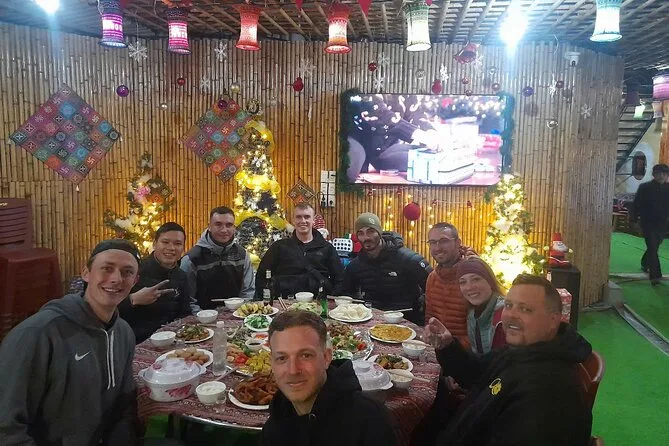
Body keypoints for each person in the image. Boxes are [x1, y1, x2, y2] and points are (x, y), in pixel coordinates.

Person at [0, 239, 141, 445]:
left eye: (127, 272)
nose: (116, 279)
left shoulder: (123, 333)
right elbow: (7, 428)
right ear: (86, 273)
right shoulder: (37, 334)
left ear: (135, 281)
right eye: (107, 268)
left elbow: (123, 407)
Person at [425, 274, 593, 446]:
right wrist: (448, 346)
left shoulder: (547, 394)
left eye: (525, 309)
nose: (511, 315)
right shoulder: (524, 350)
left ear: (553, 320)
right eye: (508, 305)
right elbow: (476, 373)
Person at [262, 310, 397, 446]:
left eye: (305, 355)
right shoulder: (274, 426)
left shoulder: (372, 422)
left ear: (327, 358)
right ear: (271, 362)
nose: (293, 370)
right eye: (282, 358)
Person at [340, 212, 432, 325]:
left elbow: (433, 287)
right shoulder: (356, 265)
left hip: (407, 321)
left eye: (371, 231)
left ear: (379, 232)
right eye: (361, 233)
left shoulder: (407, 259)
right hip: (372, 322)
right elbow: (346, 291)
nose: (366, 237)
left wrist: (423, 313)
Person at [119, 222, 191, 343]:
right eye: (165, 242)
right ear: (154, 244)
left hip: (172, 339)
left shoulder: (181, 275)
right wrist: (133, 299)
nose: (171, 248)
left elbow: (185, 312)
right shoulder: (134, 271)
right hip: (137, 341)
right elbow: (106, 309)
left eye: (177, 244)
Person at [255, 203, 344, 298]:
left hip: (318, 301)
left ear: (313, 220)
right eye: (298, 217)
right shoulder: (279, 247)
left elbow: (340, 279)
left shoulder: (327, 248)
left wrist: (331, 301)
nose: (303, 221)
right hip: (284, 302)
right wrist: (267, 301)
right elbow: (262, 276)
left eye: (307, 217)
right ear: (293, 220)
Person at [181, 206, 254, 311]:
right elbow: (187, 299)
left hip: (236, 313)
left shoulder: (243, 254)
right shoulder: (192, 258)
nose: (224, 230)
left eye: (229, 225)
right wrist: (201, 316)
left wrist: (242, 312)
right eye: (218, 224)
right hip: (202, 316)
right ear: (209, 226)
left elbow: (248, 292)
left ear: (234, 228)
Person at [424, 223, 472, 348]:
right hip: (438, 349)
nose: (437, 247)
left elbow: (483, 331)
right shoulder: (432, 277)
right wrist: (429, 330)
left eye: (443, 241)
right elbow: (429, 317)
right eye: (433, 242)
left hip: (466, 353)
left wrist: (452, 345)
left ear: (457, 243)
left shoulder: (471, 278)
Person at [456, 257, 506, 355]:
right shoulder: (472, 314)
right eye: (463, 282)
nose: (469, 287)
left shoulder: (503, 315)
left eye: (476, 279)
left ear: (490, 281)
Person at [631, 163, 669, 285]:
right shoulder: (645, 187)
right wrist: (633, 220)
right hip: (647, 222)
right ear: (654, 174)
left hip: (663, 224)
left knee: (654, 246)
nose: (661, 176)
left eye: (664, 173)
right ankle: (655, 276)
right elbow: (635, 204)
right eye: (658, 173)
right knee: (652, 246)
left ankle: (645, 262)